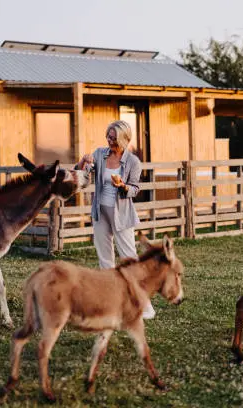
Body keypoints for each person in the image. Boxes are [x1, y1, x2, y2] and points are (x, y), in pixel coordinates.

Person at [75, 120, 156, 319]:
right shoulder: (100, 154)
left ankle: (145, 306)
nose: (109, 141)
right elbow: (80, 174)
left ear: (123, 139)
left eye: (113, 138)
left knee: (128, 259)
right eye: (108, 137)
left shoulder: (133, 162)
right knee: (105, 259)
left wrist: (122, 187)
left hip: (121, 214)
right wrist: (83, 162)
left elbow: (135, 189)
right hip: (100, 213)